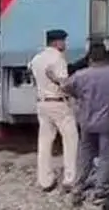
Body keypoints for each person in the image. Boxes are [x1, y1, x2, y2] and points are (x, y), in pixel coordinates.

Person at [65, 42, 109, 205]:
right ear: (105, 57)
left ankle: (78, 187)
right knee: (106, 156)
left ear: (90, 57)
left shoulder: (81, 75)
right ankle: (99, 191)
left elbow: (66, 87)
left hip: (86, 122)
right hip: (108, 122)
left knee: (85, 155)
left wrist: (80, 96)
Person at [28, 29, 79, 192]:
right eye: (63, 41)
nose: (65, 44)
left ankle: (45, 180)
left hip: (42, 103)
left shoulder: (37, 59)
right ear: (56, 42)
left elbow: (32, 75)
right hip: (58, 103)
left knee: (44, 142)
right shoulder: (58, 58)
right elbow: (64, 83)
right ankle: (70, 178)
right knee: (70, 139)